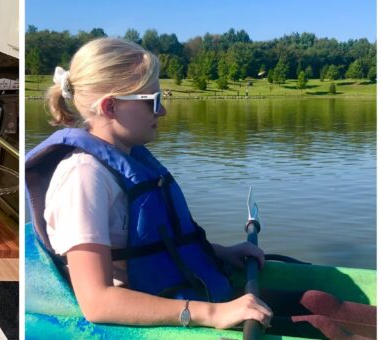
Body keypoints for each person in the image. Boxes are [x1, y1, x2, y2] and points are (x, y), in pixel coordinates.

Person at [25, 38, 375, 339]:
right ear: (110, 106)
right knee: (323, 326)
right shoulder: (83, 179)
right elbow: (97, 303)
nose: (163, 110)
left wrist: (220, 252)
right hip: (159, 312)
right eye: (153, 99)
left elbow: (154, 241)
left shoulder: (129, 158)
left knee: (320, 302)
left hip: (191, 290)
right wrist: (214, 314)